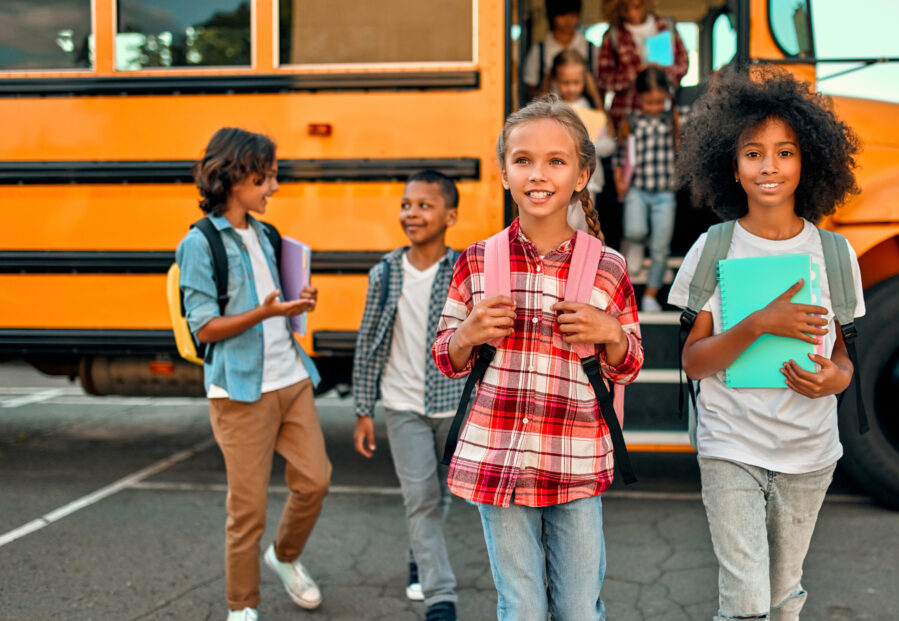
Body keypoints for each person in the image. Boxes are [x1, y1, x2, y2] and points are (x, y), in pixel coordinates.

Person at [432, 94, 644, 621]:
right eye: (523, 160)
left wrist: (610, 333)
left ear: (581, 174)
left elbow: (630, 362)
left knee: (578, 609)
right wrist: (469, 334)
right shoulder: (476, 261)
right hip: (497, 459)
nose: (538, 173)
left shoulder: (608, 268)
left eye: (556, 160)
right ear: (505, 173)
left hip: (574, 460)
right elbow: (445, 355)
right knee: (520, 607)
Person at [667, 68, 864, 621]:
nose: (770, 167)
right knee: (747, 600)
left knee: (783, 596)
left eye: (785, 152)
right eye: (753, 153)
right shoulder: (715, 248)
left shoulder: (835, 254)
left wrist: (836, 378)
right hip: (731, 445)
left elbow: (846, 356)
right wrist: (756, 323)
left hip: (810, 452)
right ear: (732, 166)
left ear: (808, 162)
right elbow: (693, 361)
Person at [176, 128, 331, 621]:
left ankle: (284, 557)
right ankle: (241, 606)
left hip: (290, 379)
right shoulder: (200, 244)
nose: (274, 188)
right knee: (247, 512)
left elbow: (276, 305)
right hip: (240, 391)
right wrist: (263, 314)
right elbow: (204, 326)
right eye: (266, 177)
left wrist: (295, 307)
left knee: (316, 481)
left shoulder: (267, 235)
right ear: (235, 177)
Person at [351, 170, 464, 621]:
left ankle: (421, 551)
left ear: (450, 215)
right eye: (405, 205)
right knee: (420, 498)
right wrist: (363, 410)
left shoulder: (464, 271)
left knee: (442, 494)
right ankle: (441, 597)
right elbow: (368, 343)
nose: (411, 213)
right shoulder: (384, 273)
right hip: (402, 407)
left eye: (424, 205)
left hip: (454, 405)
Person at [614, 66, 679, 312]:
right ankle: (637, 243)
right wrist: (621, 181)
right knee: (635, 230)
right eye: (649, 102)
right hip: (637, 189)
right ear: (638, 98)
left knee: (662, 246)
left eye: (659, 101)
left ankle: (651, 294)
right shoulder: (632, 121)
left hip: (664, 192)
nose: (654, 106)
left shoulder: (671, 118)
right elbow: (622, 155)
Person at [542, 48, 617, 233]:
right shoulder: (547, 109)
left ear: (585, 80)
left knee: (582, 232)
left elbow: (610, 145)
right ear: (555, 80)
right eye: (565, 82)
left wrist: (586, 147)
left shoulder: (594, 109)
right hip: (555, 181)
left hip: (588, 182)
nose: (571, 87)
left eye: (576, 82)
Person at [597, 0, 689, 131]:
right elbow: (604, 79)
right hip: (626, 115)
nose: (631, 13)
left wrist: (661, 71)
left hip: (664, 113)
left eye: (636, 7)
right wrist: (634, 73)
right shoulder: (613, 35)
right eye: (624, 9)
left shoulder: (666, 27)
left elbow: (683, 64)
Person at [521, 0, 598, 103]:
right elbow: (529, 88)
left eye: (572, 15)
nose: (568, 20)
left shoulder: (590, 48)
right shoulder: (539, 51)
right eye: (562, 15)